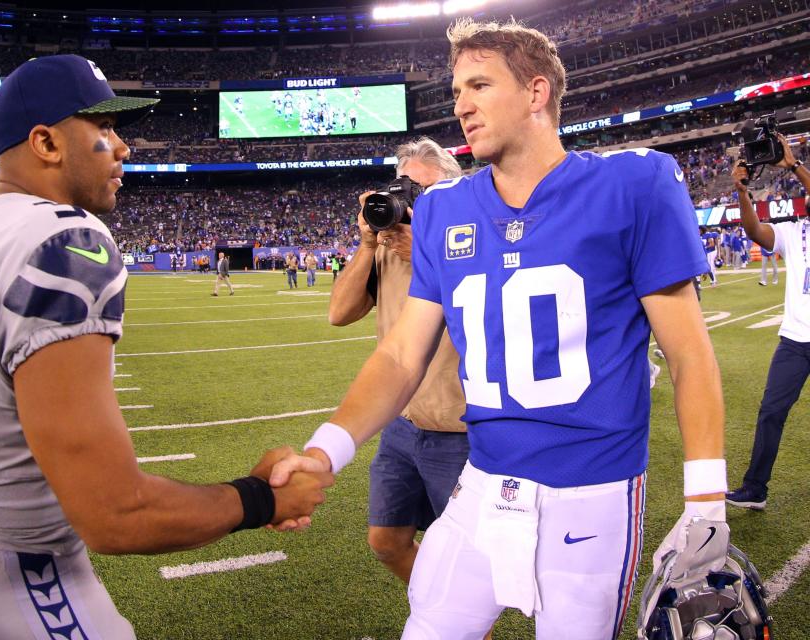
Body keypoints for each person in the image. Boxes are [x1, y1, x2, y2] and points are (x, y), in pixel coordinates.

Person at [270, 19, 727, 639]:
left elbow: (688, 355)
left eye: (479, 85)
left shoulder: (633, 185)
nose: (461, 106)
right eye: (458, 90)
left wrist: (706, 498)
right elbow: (402, 356)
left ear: (536, 93)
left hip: (590, 496)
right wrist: (327, 450)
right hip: (481, 486)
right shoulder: (442, 210)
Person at [0, 54, 331, 639]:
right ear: (46, 141)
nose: (123, 147)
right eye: (104, 129)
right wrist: (262, 500)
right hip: (21, 569)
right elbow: (116, 517)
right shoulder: (61, 244)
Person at [327, 137, 469, 586]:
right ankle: (442, 615)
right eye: (404, 187)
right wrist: (368, 245)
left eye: (423, 192)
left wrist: (428, 253)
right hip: (403, 424)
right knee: (386, 539)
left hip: (459, 431)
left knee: (468, 558)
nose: (410, 200)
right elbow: (339, 313)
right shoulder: (386, 248)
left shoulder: (468, 243)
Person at [727, 136, 810, 510]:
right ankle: (755, 487)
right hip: (795, 340)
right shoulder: (797, 233)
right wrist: (743, 192)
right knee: (771, 411)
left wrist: (792, 165)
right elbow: (755, 232)